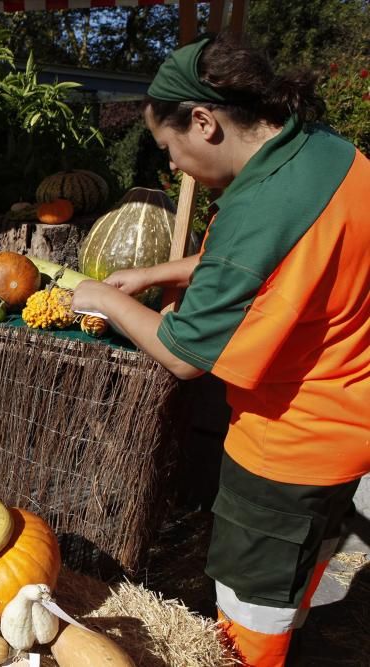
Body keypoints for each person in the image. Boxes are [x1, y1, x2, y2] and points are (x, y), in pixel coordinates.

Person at [72, 32, 370, 667]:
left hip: (288, 444)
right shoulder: (324, 154)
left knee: (250, 607)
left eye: (168, 148)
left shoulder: (258, 209)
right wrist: (157, 276)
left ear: (203, 122)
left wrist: (107, 301)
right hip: (351, 419)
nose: (173, 165)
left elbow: (183, 354)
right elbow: (269, 260)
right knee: (305, 567)